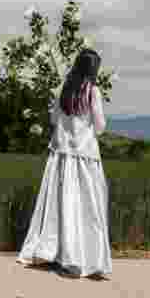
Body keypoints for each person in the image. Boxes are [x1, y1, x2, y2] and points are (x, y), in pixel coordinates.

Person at [17, 49, 111, 278]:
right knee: (86, 207)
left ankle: (53, 251)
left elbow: (53, 119)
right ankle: (82, 255)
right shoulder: (93, 92)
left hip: (61, 153)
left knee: (57, 205)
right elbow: (100, 126)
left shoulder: (63, 89)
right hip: (85, 155)